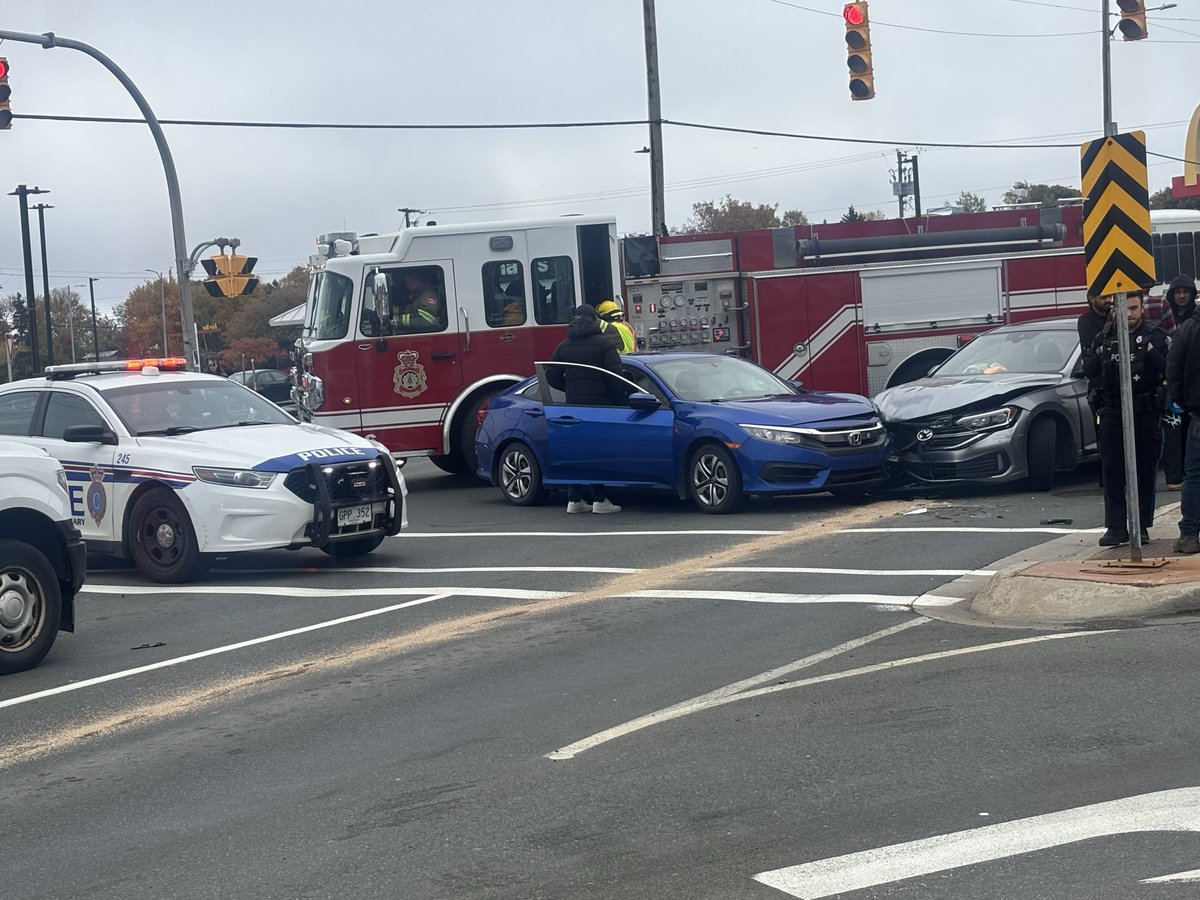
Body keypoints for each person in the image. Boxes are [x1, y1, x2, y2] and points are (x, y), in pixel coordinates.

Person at [1081, 291, 1169, 547]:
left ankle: (1140, 526)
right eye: (1124, 309)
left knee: (1143, 470)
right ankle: (1116, 527)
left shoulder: (1156, 335)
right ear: (1115, 310)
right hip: (1112, 409)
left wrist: (1152, 352)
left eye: (1133, 308)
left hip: (1145, 411)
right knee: (1112, 470)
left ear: (1142, 309)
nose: (1129, 314)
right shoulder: (1105, 336)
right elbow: (1088, 370)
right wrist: (1100, 350)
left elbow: (1169, 367)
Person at [546, 305, 627, 514]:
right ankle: (600, 500)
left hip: (573, 405)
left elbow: (551, 375)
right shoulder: (604, 344)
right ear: (594, 320)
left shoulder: (564, 345)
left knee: (577, 451)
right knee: (597, 453)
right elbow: (615, 377)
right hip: (599, 407)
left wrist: (570, 387)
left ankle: (574, 499)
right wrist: (618, 402)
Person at [1166, 300, 1200, 553]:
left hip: (1198, 414)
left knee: (1195, 477)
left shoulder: (1186, 329)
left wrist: (1187, 404)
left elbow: (1173, 372)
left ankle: (1189, 535)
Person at [1160, 276, 1198, 489]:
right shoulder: (1167, 318)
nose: (1182, 296)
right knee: (1172, 432)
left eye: (1186, 291)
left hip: (1192, 384)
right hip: (1171, 385)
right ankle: (1174, 476)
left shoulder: (1196, 319)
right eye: (1177, 292)